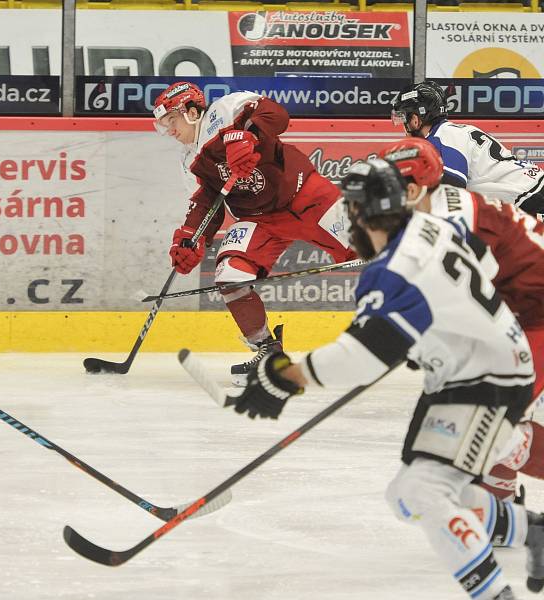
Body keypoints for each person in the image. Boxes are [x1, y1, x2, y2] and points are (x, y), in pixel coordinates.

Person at [228, 158, 542, 599]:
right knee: (406, 495)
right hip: (467, 370)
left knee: (425, 492)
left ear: (358, 212)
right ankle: (535, 531)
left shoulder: (397, 265)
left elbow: (361, 357)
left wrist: (286, 376)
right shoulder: (423, 232)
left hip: (485, 377)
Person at [376, 137, 544, 508]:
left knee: (490, 421)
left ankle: (499, 498)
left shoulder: (448, 220)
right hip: (526, 311)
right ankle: (500, 500)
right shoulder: (435, 212)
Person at [153, 81, 355, 385]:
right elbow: (206, 205)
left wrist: (246, 136)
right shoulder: (188, 161)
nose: (170, 130)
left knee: (376, 249)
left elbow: (277, 115)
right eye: (164, 124)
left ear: (192, 111)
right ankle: (268, 352)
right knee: (230, 273)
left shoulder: (227, 109)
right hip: (260, 221)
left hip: (307, 197)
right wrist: (190, 238)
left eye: (172, 120)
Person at [390, 80, 544, 217]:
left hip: (534, 199)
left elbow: (452, 190)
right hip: (530, 194)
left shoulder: (442, 137)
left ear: (415, 120)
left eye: (404, 118)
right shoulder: (453, 131)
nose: (403, 128)